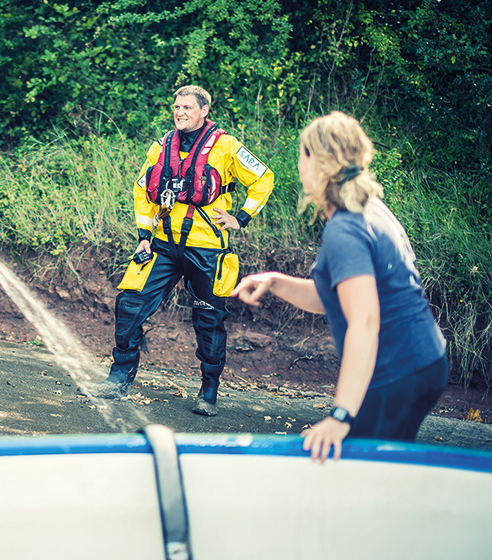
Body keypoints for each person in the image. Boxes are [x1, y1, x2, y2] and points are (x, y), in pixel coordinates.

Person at [231, 111, 447, 462]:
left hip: (399, 369)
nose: (299, 164)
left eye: (303, 154)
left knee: (361, 471)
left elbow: (364, 320)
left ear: (319, 161)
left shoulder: (345, 228)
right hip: (421, 363)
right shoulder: (368, 209)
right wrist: (274, 282)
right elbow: (336, 298)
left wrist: (341, 416)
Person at [90, 85, 275, 417]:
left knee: (209, 319)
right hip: (163, 244)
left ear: (204, 110)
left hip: (206, 249)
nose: (180, 112)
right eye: (176, 107)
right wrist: (144, 235)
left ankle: (209, 390)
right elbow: (142, 191)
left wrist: (241, 217)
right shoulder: (161, 146)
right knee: (129, 303)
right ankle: (119, 377)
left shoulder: (227, 146)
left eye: (187, 107)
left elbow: (264, 178)